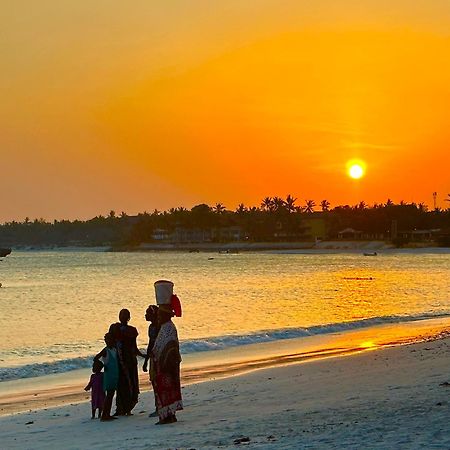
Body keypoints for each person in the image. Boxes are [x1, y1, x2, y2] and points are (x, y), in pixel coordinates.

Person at [152, 280, 183, 425]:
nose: (158, 317)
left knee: (167, 391)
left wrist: (162, 360)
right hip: (163, 366)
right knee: (165, 391)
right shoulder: (165, 327)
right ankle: (168, 415)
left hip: (167, 366)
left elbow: (170, 346)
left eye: (159, 315)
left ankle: (168, 416)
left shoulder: (169, 328)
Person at [109, 309, 145, 416]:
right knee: (120, 385)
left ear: (129, 318)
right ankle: (120, 408)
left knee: (130, 384)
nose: (123, 317)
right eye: (121, 315)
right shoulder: (114, 328)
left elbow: (134, 347)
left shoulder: (132, 330)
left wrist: (144, 356)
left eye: (125, 315)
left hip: (130, 361)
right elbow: (109, 344)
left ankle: (128, 408)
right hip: (119, 361)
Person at [94, 332, 119, 421]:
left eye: (110, 340)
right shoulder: (105, 350)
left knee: (111, 395)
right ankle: (105, 415)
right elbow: (96, 358)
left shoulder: (115, 349)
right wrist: (102, 366)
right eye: (107, 340)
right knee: (109, 395)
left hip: (115, 374)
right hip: (109, 375)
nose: (108, 342)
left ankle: (107, 414)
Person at [143, 305, 159, 417]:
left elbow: (154, 343)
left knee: (158, 382)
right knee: (154, 382)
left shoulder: (158, 327)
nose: (145, 315)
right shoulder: (151, 327)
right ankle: (158, 406)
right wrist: (146, 360)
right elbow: (150, 344)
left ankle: (159, 406)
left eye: (148, 313)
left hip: (158, 357)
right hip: (153, 357)